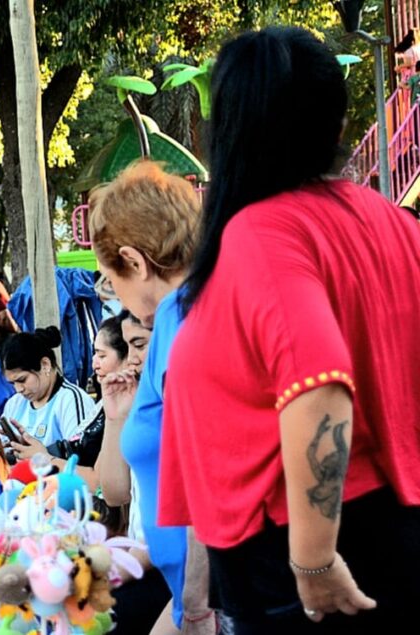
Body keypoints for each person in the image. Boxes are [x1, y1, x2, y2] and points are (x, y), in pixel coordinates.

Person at [160, 27, 420, 633]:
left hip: (305, 556)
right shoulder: (389, 220)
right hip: (379, 531)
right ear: (335, 123)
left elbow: (319, 385)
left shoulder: (264, 234)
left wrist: (313, 559)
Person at [88, 160, 211, 634]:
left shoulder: (183, 321)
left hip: (210, 593)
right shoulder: (174, 320)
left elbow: (206, 481)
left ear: (136, 262)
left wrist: (199, 604)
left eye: (110, 277)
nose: (115, 295)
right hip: (191, 589)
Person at [0, 326, 96, 453]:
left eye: (22, 380)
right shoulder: (14, 403)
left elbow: (79, 458)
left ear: (45, 364)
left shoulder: (70, 400)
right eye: (13, 383)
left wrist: (41, 455)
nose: (18, 389)